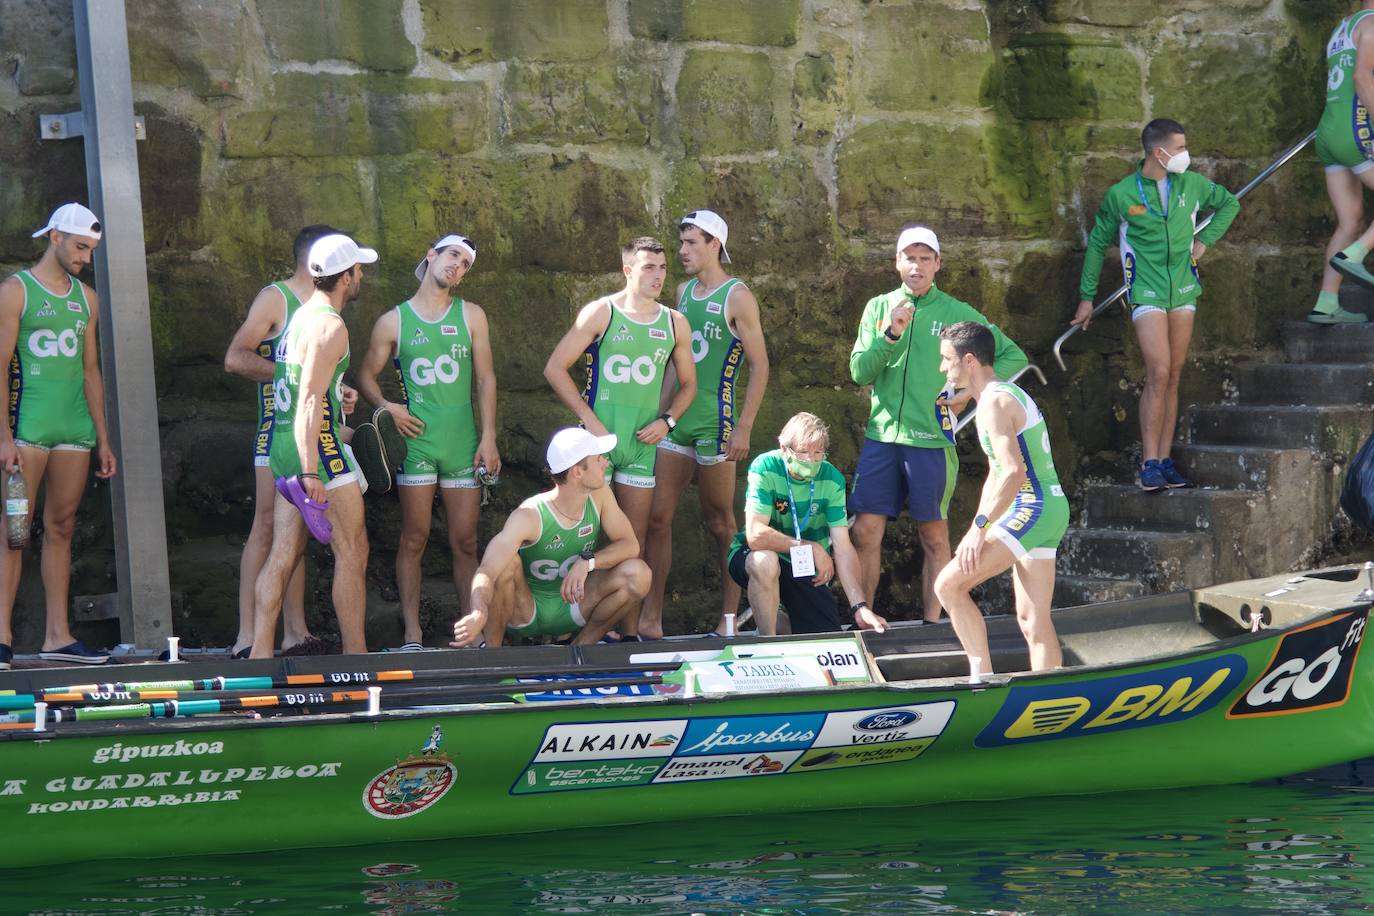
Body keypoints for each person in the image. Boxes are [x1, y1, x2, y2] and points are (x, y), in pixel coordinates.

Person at [849, 225, 1027, 625]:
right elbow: (859, 372)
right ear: (897, 263)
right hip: (882, 438)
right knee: (865, 532)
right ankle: (863, 620)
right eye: (909, 257)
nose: (917, 265)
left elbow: (1012, 356)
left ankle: (935, 625)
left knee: (934, 536)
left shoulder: (956, 311)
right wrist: (890, 334)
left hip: (930, 441)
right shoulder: (878, 307)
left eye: (925, 258)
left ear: (938, 265)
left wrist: (966, 393)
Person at [1072, 118, 1240, 491]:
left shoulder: (1191, 184)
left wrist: (1206, 240)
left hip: (1182, 288)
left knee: (1175, 373)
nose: (1185, 154)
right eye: (1179, 148)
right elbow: (1098, 243)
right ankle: (1148, 461)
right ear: (1158, 152)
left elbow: (1229, 203)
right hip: (1145, 289)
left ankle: (1164, 461)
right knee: (1159, 371)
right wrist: (1086, 298)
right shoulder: (1122, 194)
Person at [543, 237, 696, 637]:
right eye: (649, 267)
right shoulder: (602, 311)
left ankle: (627, 635)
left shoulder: (674, 321)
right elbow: (555, 368)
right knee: (587, 539)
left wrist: (668, 421)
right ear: (628, 270)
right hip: (597, 448)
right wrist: (590, 422)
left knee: (633, 540)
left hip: (642, 447)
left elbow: (689, 386)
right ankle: (568, 626)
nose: (658, 275)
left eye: (662, 268)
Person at [358, 234, 499, 650]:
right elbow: (365, 374)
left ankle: (471, 633)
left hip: (462, 444)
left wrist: (488, 436)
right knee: (414, 537)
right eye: (453, 255)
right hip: (416, 444)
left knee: (466, 542)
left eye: (466, 264)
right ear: (432, 255)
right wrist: (388, 407)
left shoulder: (471, 315)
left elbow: (486, 378)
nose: (458, 266)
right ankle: (413, 634)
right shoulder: (393, 321)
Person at [224, 224, 353, 658]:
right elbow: (235, 358)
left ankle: (293, 632)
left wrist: (333, 387)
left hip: (298, 430)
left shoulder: (312, 312)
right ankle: (247, 637)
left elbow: (318, 386)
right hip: (279, 430)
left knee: (290, 540)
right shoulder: (277, 298)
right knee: (267, 529)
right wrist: (296, 377)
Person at [640, 210, 769, 639]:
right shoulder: (682, 292)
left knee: (720, 522)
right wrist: (660, 415)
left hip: (718, 422)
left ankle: (729, 620)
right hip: (679, 420)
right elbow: (677, 365)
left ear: (715, 244)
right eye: (681, 243)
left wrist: (745, 426)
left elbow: (760, 365)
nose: (682, 252)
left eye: (691, 243)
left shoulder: (738, 296)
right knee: (657, 517)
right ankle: (651, 618)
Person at [0, 203, 118, 667]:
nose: (85, 258)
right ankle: (3, 637)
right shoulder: (15, 292)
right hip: (27, 428)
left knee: (61, 528)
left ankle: (58, 636)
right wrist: (4, 436)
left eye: (90, 251)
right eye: (80, 248)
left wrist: (103, 438)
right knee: (13, 532)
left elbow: (91, 370)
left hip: (74, 428)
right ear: (55, 237)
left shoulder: (86, 299)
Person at [251, 233, 375, 659]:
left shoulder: (300, 317)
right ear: (345, 278)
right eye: (358, 270)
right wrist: (310, 473)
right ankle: (357, 659)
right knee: (352, 549)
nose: (361, 276)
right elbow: (308, 398)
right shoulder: (330, 325)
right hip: (316, 452)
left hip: (282, 445)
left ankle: (259, 656)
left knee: (284, 552)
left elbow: (306, 386)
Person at [933, 322, 1070, 674]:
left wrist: (979, 528)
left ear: (969, 361)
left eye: (946, 360)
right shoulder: (1003, 394)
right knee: (1032, 620)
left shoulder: (994, 402)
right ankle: (1047, 697)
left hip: (1033, 506)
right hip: (1051, 507)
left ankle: (982, 679)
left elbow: (1012, 473)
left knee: (948, 586)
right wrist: (981, 522)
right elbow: (997, 472)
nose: (942, 369)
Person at [449, 428, 650, 648]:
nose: (606, 463)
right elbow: (487, 571)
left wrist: (588, 562)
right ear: (577, 472)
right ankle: (492, 655)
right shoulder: (530, 515)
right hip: (526, 613)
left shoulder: (600, 495)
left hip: (574, 607)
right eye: (598, 459)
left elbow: (630, 545)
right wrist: (479, 611)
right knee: (507, 563)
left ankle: (582, 648)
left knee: (639, 574)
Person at [726, 412, 889, 637]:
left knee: (824, 637)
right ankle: (766, 641)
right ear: (785, 449)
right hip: (757, 554)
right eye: (804, 452)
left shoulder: (832, 479)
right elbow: (755, 535)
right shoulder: (765, 467)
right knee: (765, 561)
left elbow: (843, 547)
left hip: (802, 566)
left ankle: (781, 618)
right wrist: (809, 547)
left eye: (818, 452)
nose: (812, 460)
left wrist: (860, 608)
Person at [1314, 2, 1374, 323]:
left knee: (1350, 220)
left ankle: (1326, 303)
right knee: (1354, 231)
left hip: (1328, 132)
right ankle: (1356, 254)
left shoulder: (1344, 26)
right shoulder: (1373, 24)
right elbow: (1362, 79)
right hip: (1355, 129)